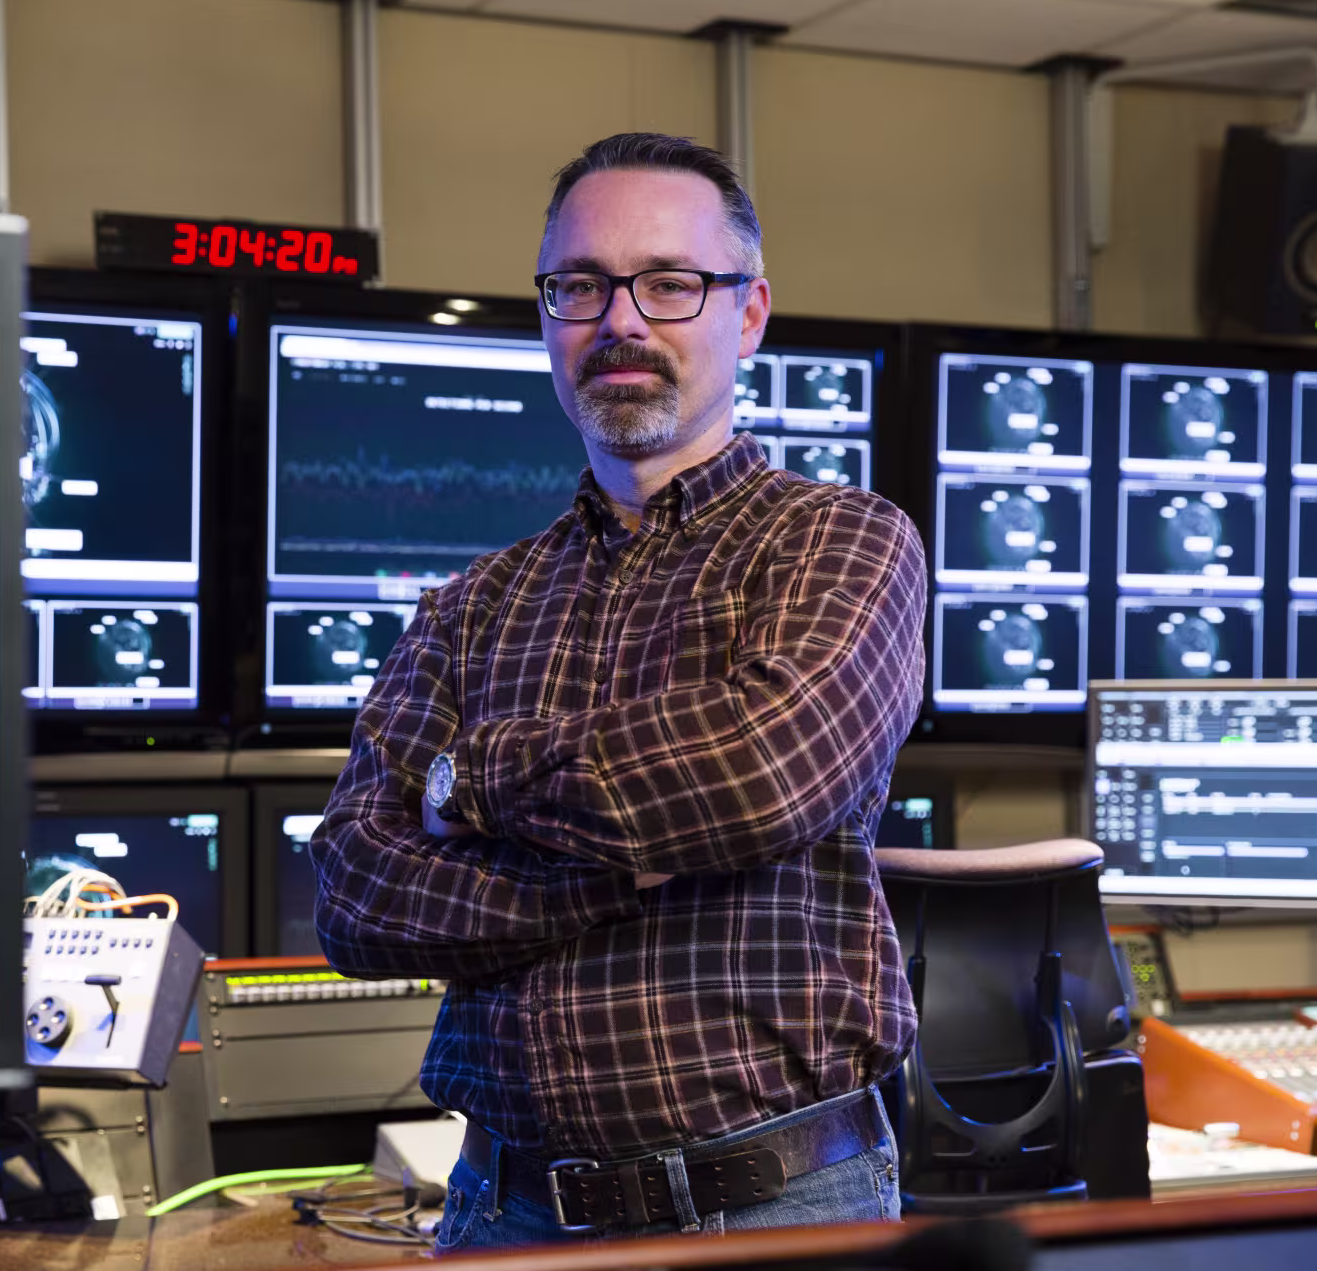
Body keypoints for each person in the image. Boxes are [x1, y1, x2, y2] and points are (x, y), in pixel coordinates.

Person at [310, 132, 925, 1251]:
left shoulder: (842, 542)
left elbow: (757, 772)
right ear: (549, 317)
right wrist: (628, 875)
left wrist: (474, 778)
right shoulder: (473, 605)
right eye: (581, 285)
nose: (621, 320)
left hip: (771, 1210)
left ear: (747, 314)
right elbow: (355, 888)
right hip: (502, 1210)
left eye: (670, 283)